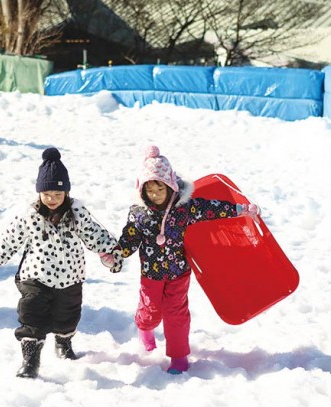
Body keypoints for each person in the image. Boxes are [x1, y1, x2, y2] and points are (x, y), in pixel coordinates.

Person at [102, 145, 260, 374]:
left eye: (159, 189)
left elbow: (212, 209)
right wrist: (115, 254)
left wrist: (242, 209)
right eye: (150, 190)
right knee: (150, 312)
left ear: (171, 186)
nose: (154, 195)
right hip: (151, 275)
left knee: (176, 315)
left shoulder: (184, 209)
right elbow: (129, 239)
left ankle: (179, 357)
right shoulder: (139, 213)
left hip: (179, 273)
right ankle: (144, 331)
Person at [0, 147, 120, 379]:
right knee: (31, 312)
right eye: (47, 195)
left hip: (70, 276)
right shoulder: (29, 215)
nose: (52, 200)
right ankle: (31, 359)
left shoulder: (77, 213)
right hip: (36, 275)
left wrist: (112, 251)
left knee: (68, 314)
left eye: (58, 195)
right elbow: (10, 238)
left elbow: (94, 234)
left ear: (66, 193)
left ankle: (63, 343)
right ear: (39, 193)